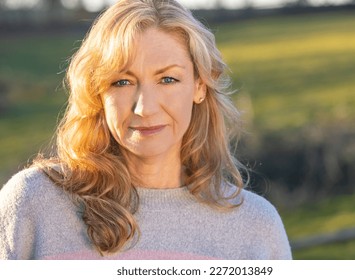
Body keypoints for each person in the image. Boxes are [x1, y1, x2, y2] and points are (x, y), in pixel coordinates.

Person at [0, 0, 292, 260]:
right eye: (122, 82)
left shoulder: (256, 227)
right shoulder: (33, 203)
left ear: (199, 86)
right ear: (97, 93)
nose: (145, 108)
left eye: (167, 80)